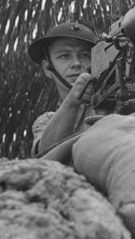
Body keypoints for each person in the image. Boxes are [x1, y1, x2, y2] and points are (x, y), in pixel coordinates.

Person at [28, 22, 97, 157]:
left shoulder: (116, 99)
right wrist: (72, 102)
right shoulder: (46, 121)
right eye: (65, 56)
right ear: (47, 67)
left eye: (84, 55)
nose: (76, 63)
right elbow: (45, 157)